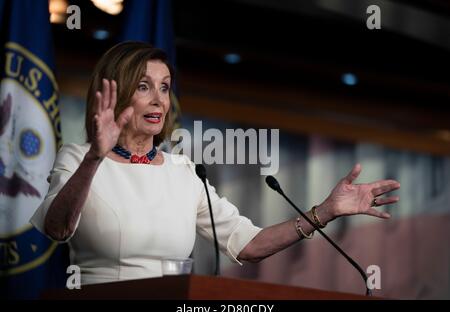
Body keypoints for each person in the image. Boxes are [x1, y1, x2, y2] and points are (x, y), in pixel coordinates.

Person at [30, 41, 400, 285]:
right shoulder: (80, 159)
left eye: (164, 86)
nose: (159, 99)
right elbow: (58, 228)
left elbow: (248, 244)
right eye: (143, 86)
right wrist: (96, 157)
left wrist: (326, 212)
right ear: (116, 92)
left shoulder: (184, 172)